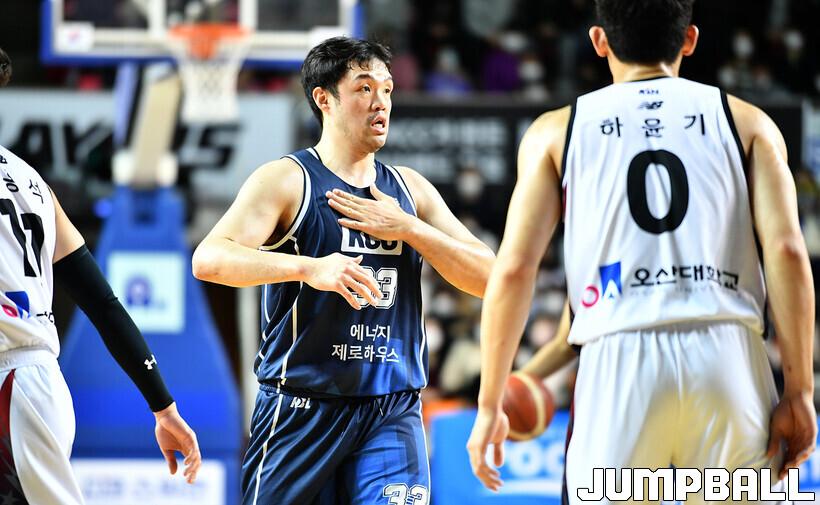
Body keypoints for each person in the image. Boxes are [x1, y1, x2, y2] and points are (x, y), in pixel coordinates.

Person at [467, 0, 816, 503]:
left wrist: (489, 403)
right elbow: (786, 251)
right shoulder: (749, 123)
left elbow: (516, 268)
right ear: (689, 40)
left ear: (599, 41)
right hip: (729, 355)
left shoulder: (555, 131)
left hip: (617, 362)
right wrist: (800, 391)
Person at [192, 36, 494, 504]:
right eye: (364, 88)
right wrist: (309, 268)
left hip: (391, 410)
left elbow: (492, 278)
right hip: (301, 409)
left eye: (387, 89)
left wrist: (410, 228)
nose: (381, 102)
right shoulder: (287, 179)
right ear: (324, 99)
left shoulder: (410, 190)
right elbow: (209, 259)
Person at [0, 47, 200, 504]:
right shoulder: (32, 182)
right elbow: (102, 303)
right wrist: (162, 405)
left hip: (15, 386)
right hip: (36, 383)